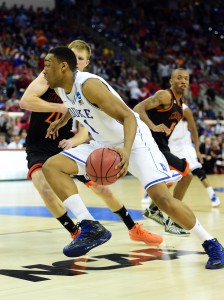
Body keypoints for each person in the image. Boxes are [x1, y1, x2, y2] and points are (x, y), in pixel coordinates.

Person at [42, 46, 224, 269]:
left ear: (63, 67)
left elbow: (129, 116)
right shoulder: (63, 87)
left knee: (162, 200)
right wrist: (61, 121)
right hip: (103, 143)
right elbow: (76, 105)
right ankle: (90, 225)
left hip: (135, 140)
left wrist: (127, 152)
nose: (43, 72)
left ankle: (211, 243)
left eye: (47, 66)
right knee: (53, 166)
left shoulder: (89, 84)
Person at [19, 40, 163, 256]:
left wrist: (75, 141)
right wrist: (61, 107)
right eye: (71, 55)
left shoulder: (85, 86)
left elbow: (88, 128)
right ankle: (77, 232)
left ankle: (133, 228)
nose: (74, 60)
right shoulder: (48, 77)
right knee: (45, 187)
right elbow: (26, 101)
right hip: (39, 142)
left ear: (85, 63)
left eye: (79, 58)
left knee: (101, 186)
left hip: (65, 140)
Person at [134, 69, 193, 236]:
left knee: (170, 178)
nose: (183, 81)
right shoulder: (165, 96)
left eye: (186, 79)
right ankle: (174, 219)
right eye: (179, 78)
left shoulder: (181, 106)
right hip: (151, 145)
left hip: (162, 146)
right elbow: (138, 108)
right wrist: (152, 127)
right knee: (186, 174)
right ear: (171, 81)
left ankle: (154, 209)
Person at [168, 103, 220, 207]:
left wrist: (197, 150)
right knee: (170, 173)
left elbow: (194, 130)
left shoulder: (184, 108)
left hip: (184, 143)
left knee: (195, 169)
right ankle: (152, 195)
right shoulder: (161, 107)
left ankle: (213, 195)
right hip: (171, 144)